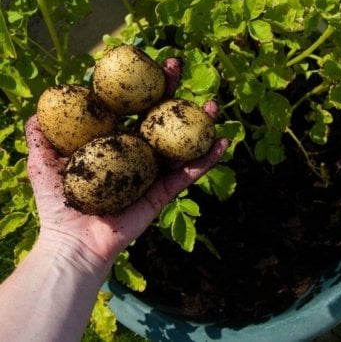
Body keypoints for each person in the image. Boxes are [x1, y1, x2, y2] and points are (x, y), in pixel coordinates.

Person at [0, 60, 229, 342]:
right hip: (122, 156)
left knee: (186, 132)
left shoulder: (136, 140)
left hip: (128, 150)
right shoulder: (117, 155)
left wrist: (67, 248)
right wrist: (69, 243)